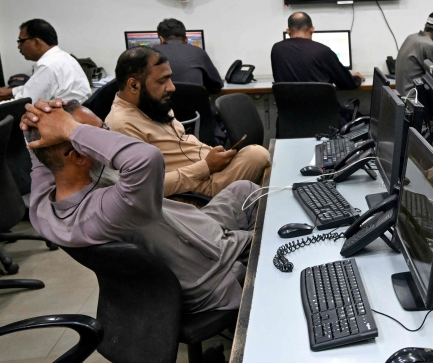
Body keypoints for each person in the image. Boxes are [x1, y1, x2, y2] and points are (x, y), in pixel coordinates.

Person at [22, 99, 257, 313]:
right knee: (279, 235)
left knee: (246, 190)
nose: (108, 134)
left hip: (193, 232)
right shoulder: (108, 209)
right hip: (212, 268)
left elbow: (41, 159)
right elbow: (146, 158)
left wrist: (35, 124)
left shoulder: (43, 204)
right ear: (79, 157)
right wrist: (70, 129)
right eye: (98, 133)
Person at [106, 47, 270, 197]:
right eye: (162, 81)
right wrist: (205, 167)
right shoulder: (122, 124)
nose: (172, 87)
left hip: (209, 170)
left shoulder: (152, 105)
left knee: (269, 172)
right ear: (134, 85)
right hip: (197, 190)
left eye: (170, 79)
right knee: (258, 156)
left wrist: (213, 160)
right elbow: (142, 188)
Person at [0, 19, 90, 120]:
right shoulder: (63, 57)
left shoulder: (47, 65)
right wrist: (11, 91)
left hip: (62, 122)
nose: (19, 47)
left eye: (21, 41)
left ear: (36, 42)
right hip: (77, 117)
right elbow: (41, 88)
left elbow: (20, 106)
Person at [270, 12, 364, 88]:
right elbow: (347, 84)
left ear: (288, 31)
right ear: (312, 30)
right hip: (324, 111)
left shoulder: (276, 49)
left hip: (288, 111)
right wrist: (357, 78)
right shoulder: (323, 51)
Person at [150, 18, 224, 94]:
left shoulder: (150, 54)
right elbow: (217, 85)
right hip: (195, 105)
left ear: (161, 39)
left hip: (161, 105)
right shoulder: (199, 52)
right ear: (186, 39)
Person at [395, 11, 433, 92]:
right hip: (415, 101)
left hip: (403, 97)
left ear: (425, 25)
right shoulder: (429, 46)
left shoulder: (411, 38)